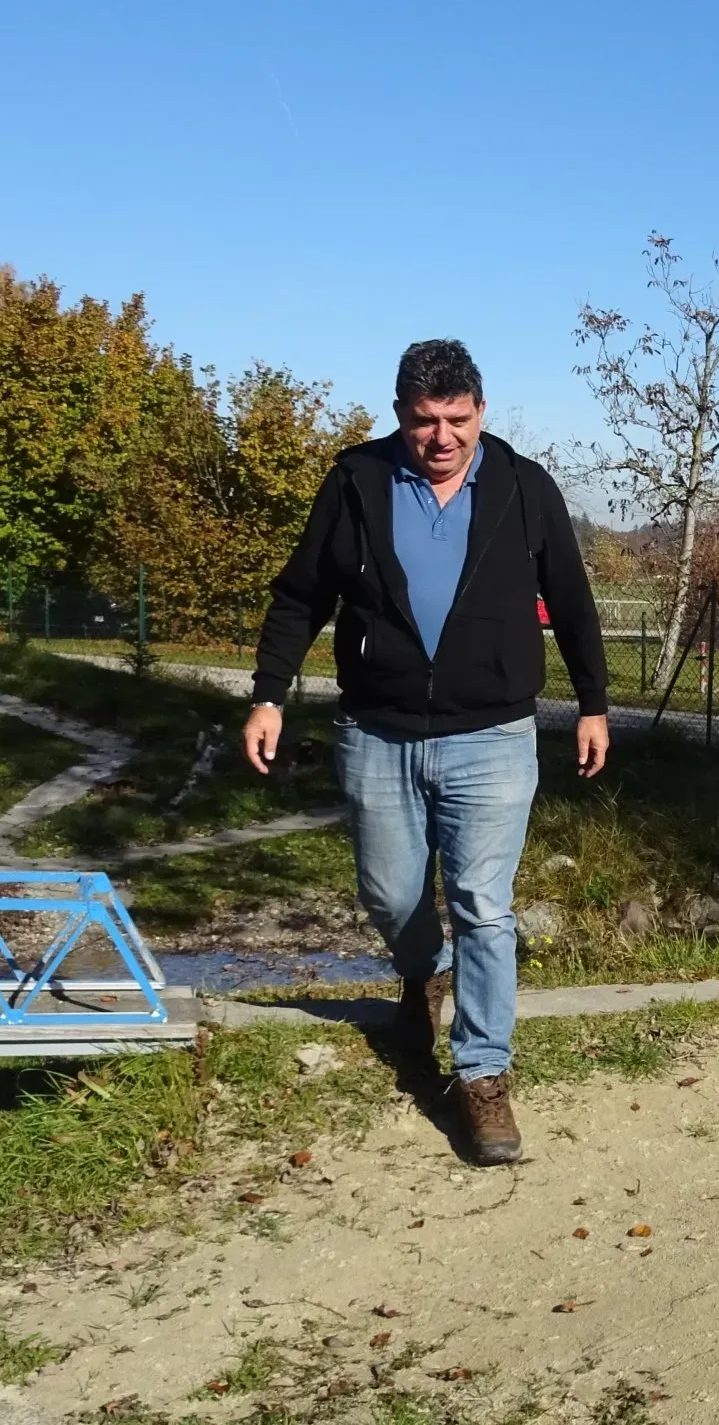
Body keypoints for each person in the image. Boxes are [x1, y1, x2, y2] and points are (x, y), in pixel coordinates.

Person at [243, 339, 610, 1165]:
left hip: (493, 736)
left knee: (484, 903)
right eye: (423, 421)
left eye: (456, 418)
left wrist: (594, 703)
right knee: (388, 892)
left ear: (481, 410)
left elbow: (573, 600)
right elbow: (301, 596)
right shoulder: (357, 481)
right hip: (378, 731)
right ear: (400, 416)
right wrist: (268, 694)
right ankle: (423, 971)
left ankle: (483, 1075)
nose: (441, 437)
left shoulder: (523, 487)